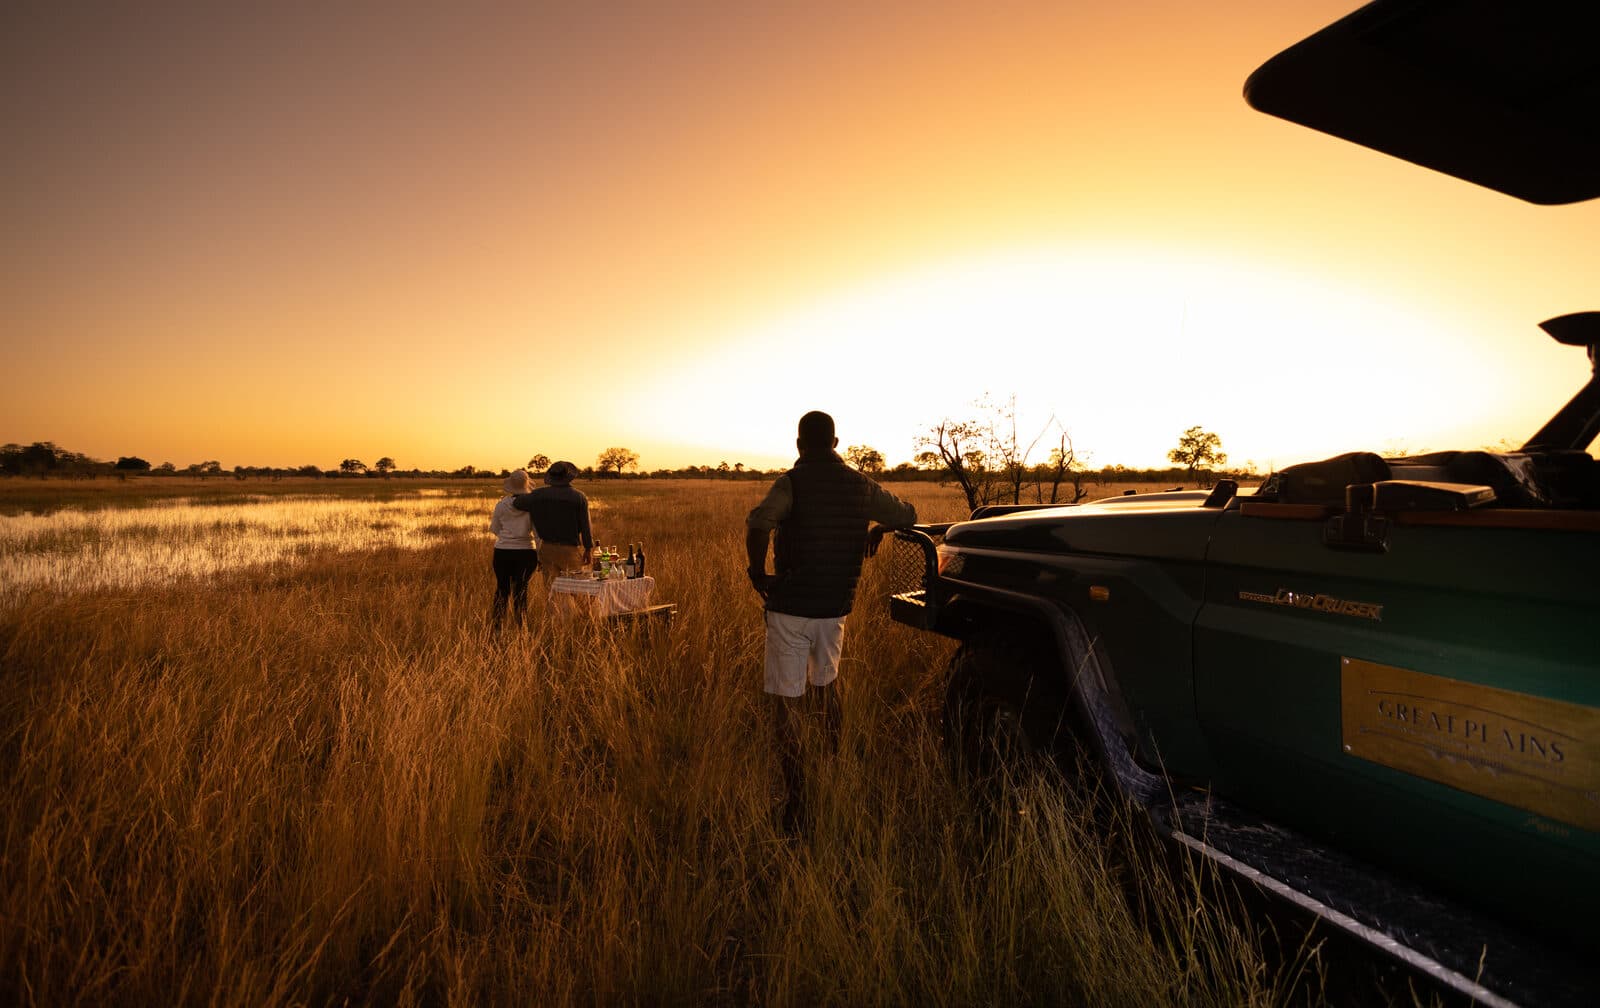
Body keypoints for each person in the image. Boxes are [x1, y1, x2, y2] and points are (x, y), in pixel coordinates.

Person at [745, 410, 917, 835]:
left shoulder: (792, 482)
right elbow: (907, 516)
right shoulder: (861, 485)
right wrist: (876, 529)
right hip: (835, 607)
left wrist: (756, 571)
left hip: (791, 606)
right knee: (827, 687)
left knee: (786, 701)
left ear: (800, 443)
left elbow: (759, 522)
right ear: (836, 443)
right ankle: (833, 769)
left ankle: (798, 798)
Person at [513, 460, 593, 586]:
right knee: (579, 589)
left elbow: (517, 503)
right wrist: (588, 548)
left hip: (547, 549)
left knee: (552, 591)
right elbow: (585, 526)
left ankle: (555, 607)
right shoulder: (579, 497)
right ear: (568, 478)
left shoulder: (538, 495)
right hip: (569, 549)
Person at [489, 469, 540, 629]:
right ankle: (522, 627)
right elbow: (538, 534)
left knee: (502, 589)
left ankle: (497, 626)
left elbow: (495, 529)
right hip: (526, 552)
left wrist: (508, 537)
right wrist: (540, 555)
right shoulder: (532, 507)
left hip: (502, 552)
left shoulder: (501, 505)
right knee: (521, 590)